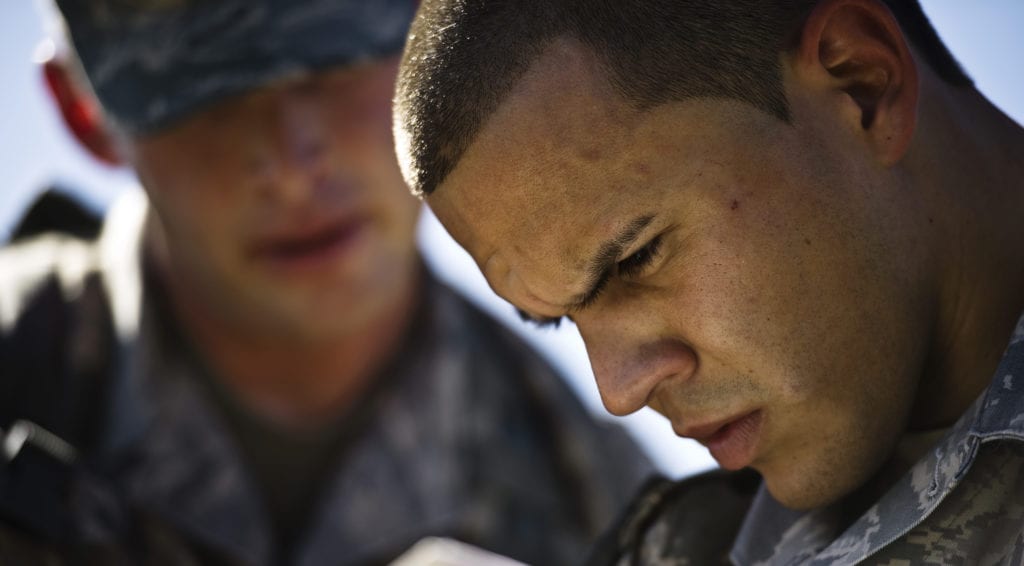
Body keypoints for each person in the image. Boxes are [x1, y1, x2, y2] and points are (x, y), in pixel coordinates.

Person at [0, 1, 654, 564]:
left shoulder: (599, 502)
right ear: (84, 112)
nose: (291, 161)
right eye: (207, 89)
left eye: (336, 60)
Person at [393, 0, 1024, 563]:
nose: (619, 391)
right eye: (558, 318)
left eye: (635, 259)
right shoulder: (684, 545)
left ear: (861, 82)